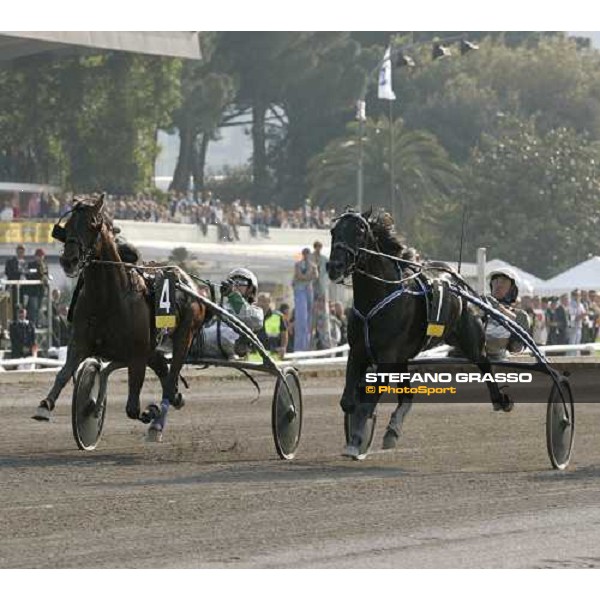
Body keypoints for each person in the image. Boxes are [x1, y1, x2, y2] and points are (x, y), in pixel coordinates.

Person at [190, 267, 263, 359]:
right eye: (233, 282)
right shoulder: (219, 306)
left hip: (234, 352)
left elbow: (252, 320)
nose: (236, 285)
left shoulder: (256, 311)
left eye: (241, 283)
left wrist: (233, 295)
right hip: (200, 349)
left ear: (250, 288)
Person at [485, 268, 531, 360]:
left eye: (504, 282)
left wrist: (499, 309)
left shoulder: (520, 315)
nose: (498, 285)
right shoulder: (479, 307)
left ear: (512, 289)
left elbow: (517, 349)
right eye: (495, 281)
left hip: (501, 362)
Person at [292, 248, 317, 352]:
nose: (306, 255)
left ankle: (306, 346)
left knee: (309, 319)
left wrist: (306, 277)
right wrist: (308, 277)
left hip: (309, 290)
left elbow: (315, 275)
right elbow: (299, 276)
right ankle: (299, 347)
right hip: (300, 289)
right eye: (305, 253)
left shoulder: (313, 265)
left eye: (308, 253)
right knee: (301, 318)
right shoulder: (298, 264)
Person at [256, 292, 288, 359]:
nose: (262, 304)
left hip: (274, 354)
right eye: (260, 301)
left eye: (264, 301)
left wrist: (283, 348)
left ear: (269, 302)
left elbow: (284, 335)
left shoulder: (278, 316)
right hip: (255, 356)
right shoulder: (251, 317)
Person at [4, 244, 28, 320]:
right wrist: (19, 273)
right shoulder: (10, 262)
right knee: (12, 306)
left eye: (22, 251)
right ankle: (13, 322)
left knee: (22, 305)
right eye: (19, 251)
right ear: (16, 252)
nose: (21, 253)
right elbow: (8, 273)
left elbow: (27, 274)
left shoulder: (26, 263)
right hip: (12, 288)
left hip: (22, 288)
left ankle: (21, 321)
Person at [26, 248, 49, 326]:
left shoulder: (45, 265)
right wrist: (40, 276)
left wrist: (46, 278)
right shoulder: (31, 264)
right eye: (38, 255)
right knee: (33, 309)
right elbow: (28, 276)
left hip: (41, 291)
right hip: (33, 291)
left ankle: (36, 324)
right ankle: (32, 325)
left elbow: (46, 275)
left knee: (39, 309)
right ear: (35, 256)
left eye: (41, 256)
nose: (40, 257)